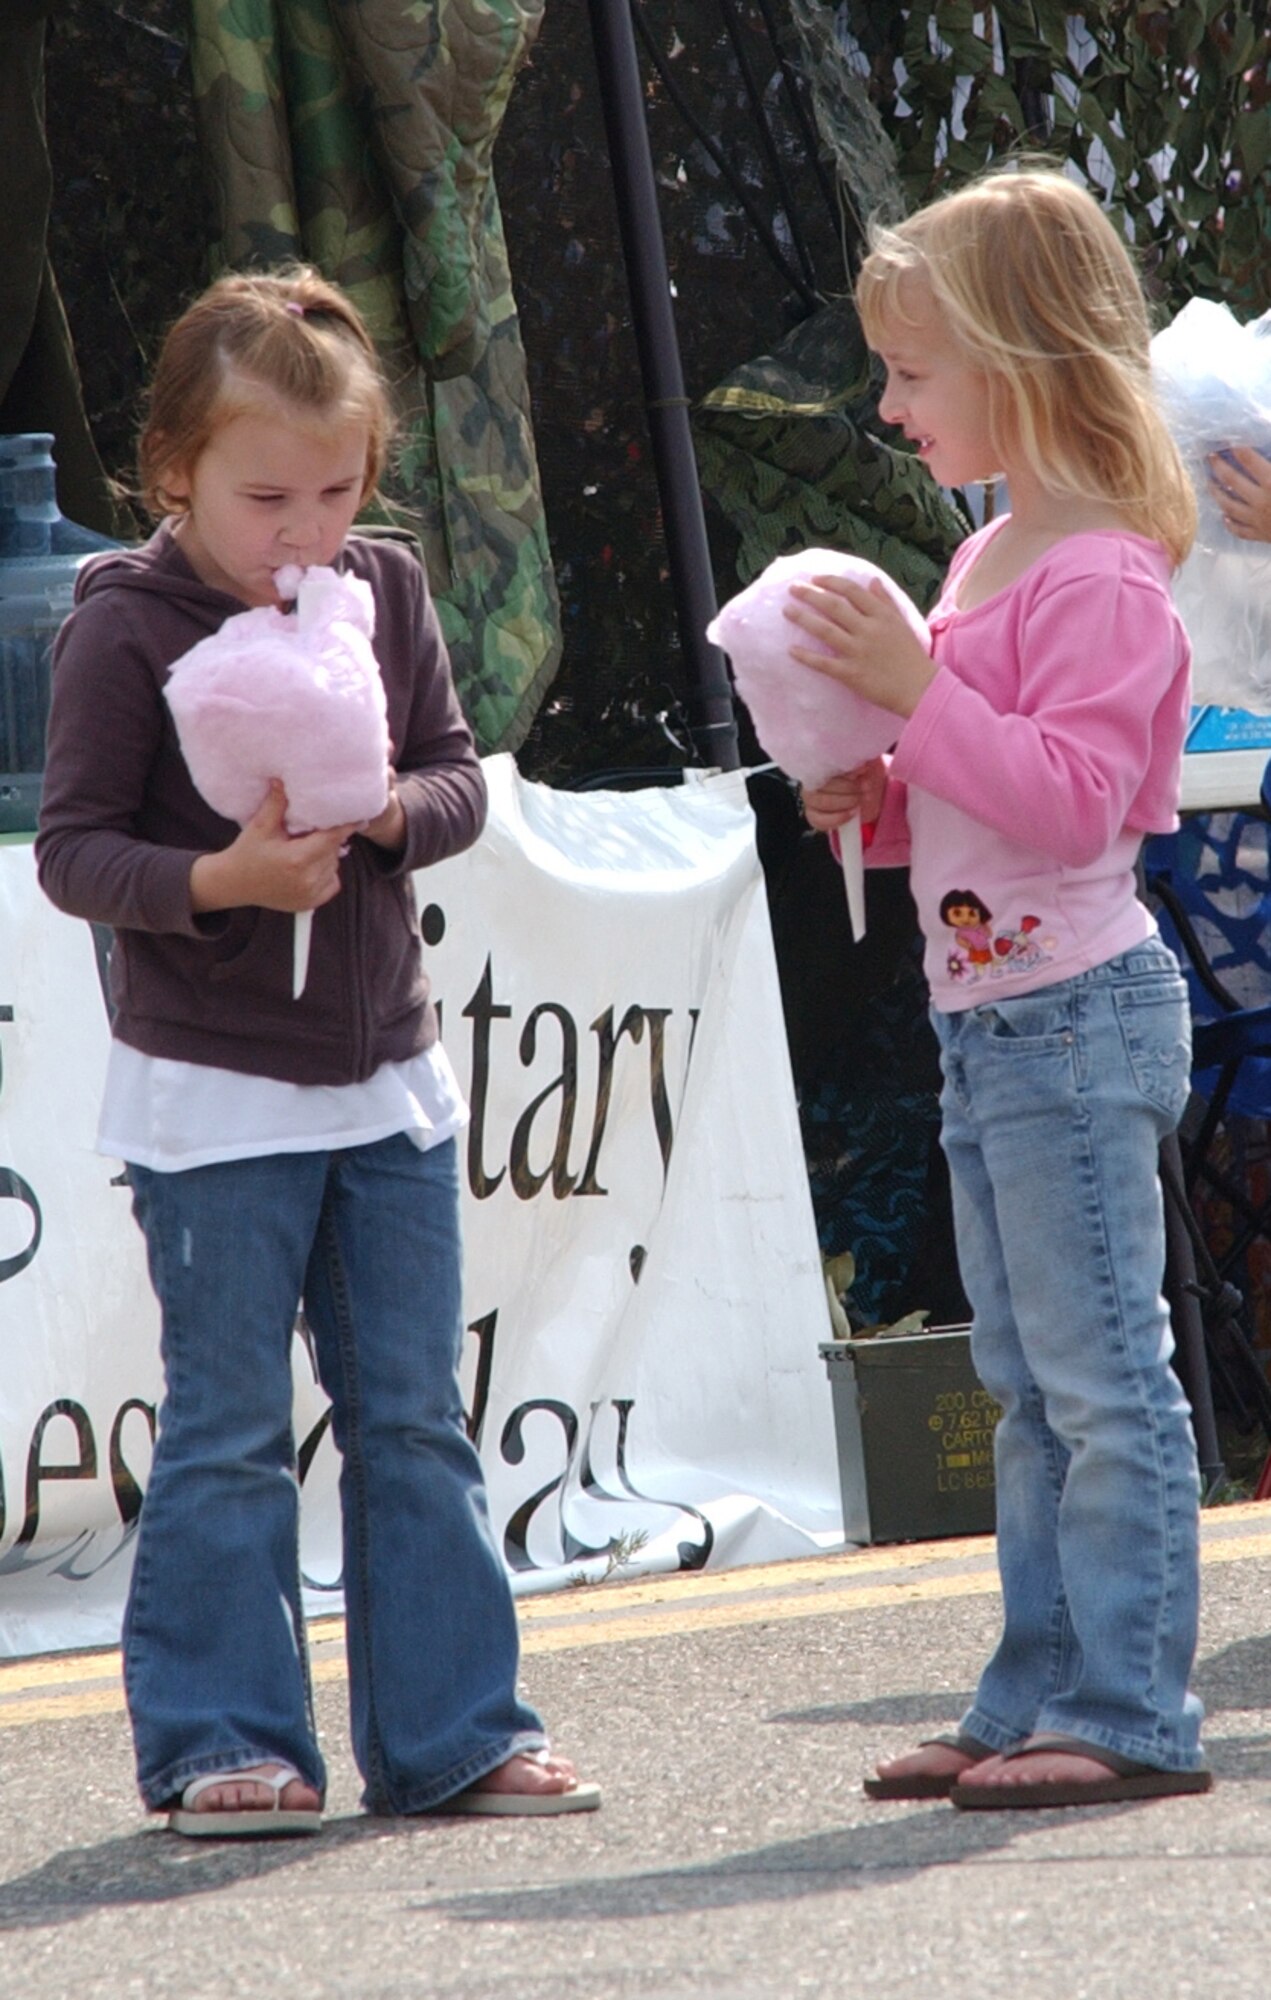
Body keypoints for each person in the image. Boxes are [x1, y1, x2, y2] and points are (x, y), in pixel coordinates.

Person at [35, 267, 599, 1836]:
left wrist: (387, 816)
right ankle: (224, 1736)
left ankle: (455, 1734)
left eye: (338, 491)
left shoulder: (389, 593)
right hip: (211, 1100)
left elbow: (457, 777)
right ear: (172, 476)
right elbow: (73, 853)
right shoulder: (124, 623)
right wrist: (221, 880)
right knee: (225, 1429)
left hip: (389, 1083)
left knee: (414, 1413)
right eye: (263, 494)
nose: (305, 531)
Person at [788, 166, 1212, 1810]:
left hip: (1076, 1016)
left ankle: (1126, 1709)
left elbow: (1082, 801)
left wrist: (914, 702)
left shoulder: (1096, 569)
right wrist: (879, 792)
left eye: (912, 372)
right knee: (1026, 1385)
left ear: (1023, 364)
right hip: (996, 1020)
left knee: (1101, 1378)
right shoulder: (987, 563)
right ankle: (1032, 1694)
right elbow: (986, 797)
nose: (889, 406)